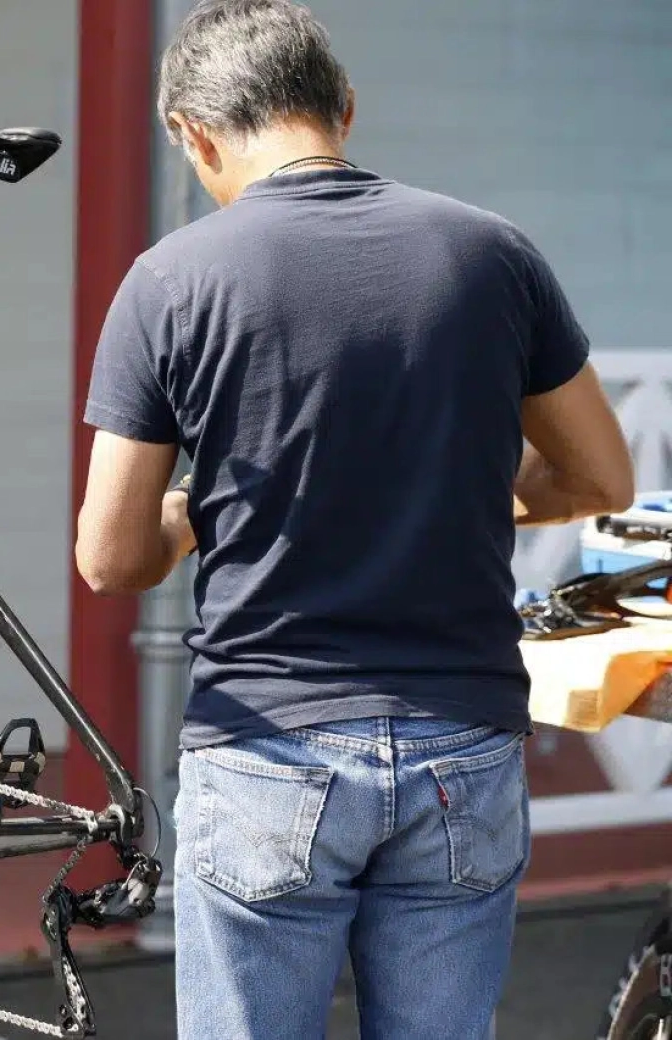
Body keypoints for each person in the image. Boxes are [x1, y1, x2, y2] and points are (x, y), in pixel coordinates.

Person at [73, 1, 635, 1037]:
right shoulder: (491, 253)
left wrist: (194, 513)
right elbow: (599, 472)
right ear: (343, 108)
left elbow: (110, 557)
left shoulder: (169, 281)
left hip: (265, 747)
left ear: (191, 136)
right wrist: (475, 485)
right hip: (462, 748)